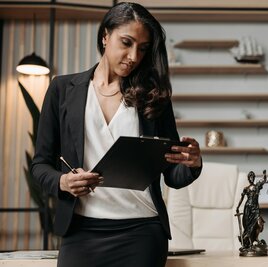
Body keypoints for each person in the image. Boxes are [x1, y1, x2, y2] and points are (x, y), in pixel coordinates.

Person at [31, 2, 202, 267]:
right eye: (126, 42)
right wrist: (63, 182)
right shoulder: (62, 89)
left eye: (142, 48)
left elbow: (172, 175)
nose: (134, 56)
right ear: (105, 36)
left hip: (142, 232)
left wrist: (192, 164)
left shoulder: (154, 96)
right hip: (81, 232)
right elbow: (40, 165)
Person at [235, 170, 268, 253]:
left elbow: (264, 180)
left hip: (255, 208)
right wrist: (238, 207)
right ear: (248, 178)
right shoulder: (246, 189)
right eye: (250, 177)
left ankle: (256, 238)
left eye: (253, 177)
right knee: (249, 227)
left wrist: (264, 174)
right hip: (248, 209)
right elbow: (242, 198)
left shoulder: (257, 186)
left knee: (259, 223)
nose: (252, 178)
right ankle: (250, 244)